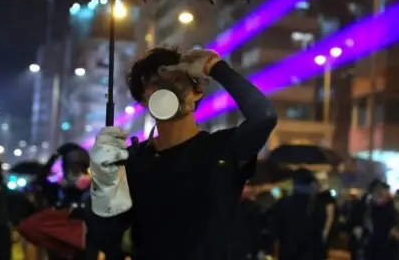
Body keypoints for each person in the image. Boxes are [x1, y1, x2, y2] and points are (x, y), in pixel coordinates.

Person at [86, 47, 277, 259]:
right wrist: (103, 183)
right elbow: (107, 238)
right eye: (155, 84)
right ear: (143, 100)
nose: (167, 91)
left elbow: (264, 117)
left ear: (197, 92)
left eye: (177, 80)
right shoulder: (131, 161)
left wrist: (214, 67)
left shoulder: (222, 149)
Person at [350, 180, 399, 260]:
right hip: (373, 245)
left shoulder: (391, 203)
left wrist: (397, 228)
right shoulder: (366, 205)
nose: (382, 194)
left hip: (387, 245)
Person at [270, 168, 321, 260]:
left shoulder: (283, 202)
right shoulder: (315, 205)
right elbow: (318, 232)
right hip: (308, 252)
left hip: (287, 251)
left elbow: (275, 227)